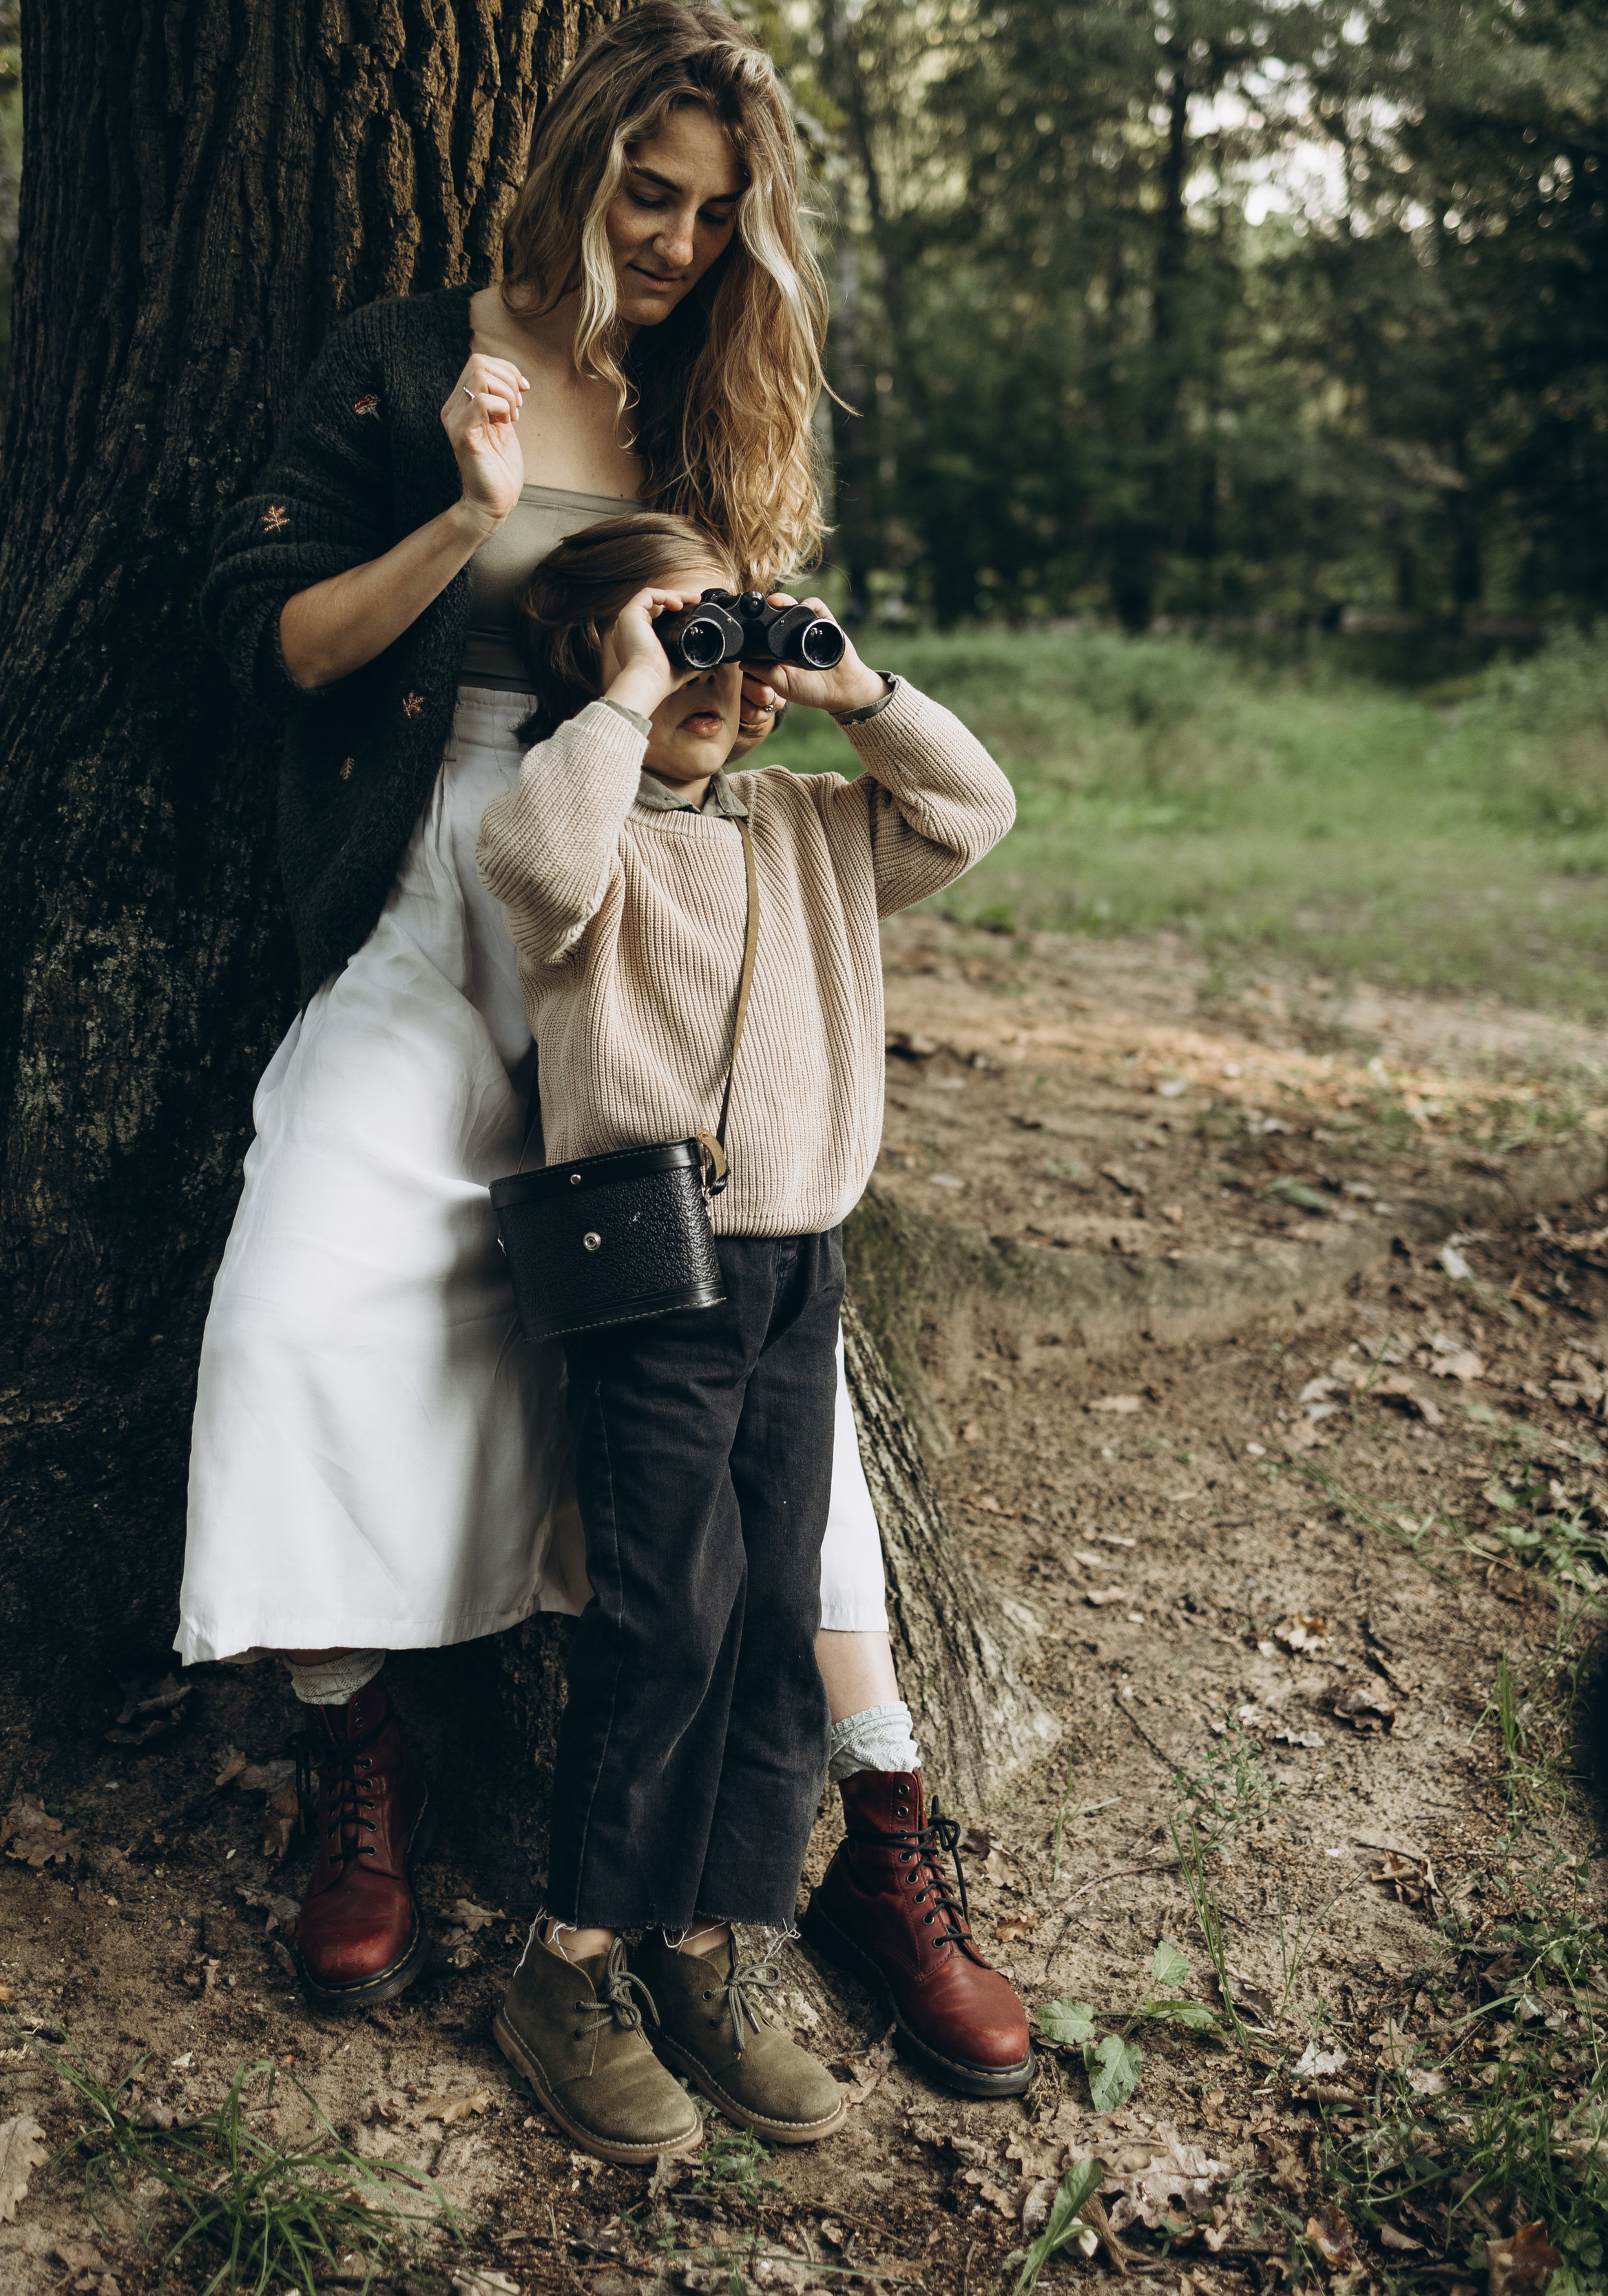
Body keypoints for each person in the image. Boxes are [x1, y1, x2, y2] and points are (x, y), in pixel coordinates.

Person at [176, 4, 1029, 2089]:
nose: (668, 241)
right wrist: (466, 519)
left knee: (756, 1369)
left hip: (660, 904)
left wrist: (796, 689)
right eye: (645, 194)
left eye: (713, 215)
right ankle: (348, 1748)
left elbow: (837, 751)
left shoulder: (717, 391)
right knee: (304, 1288)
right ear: (572, 167)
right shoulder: (408, 356)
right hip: (440, 883)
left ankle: (882, 1826)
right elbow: (266, 643)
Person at [474, 510, 1018, 2160]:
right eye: (676, 625)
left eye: (736, 631)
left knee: (779, 1609)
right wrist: (632, 693)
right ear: (601, 656)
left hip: (798, 1272)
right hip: (652, 1274)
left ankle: (709, 1945)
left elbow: (971, 812)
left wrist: (851, 681)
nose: (722, 660)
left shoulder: (813, 826)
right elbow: (535, 869)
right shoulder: (585, 824)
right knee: (669, 1616)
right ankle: (568, 1960)